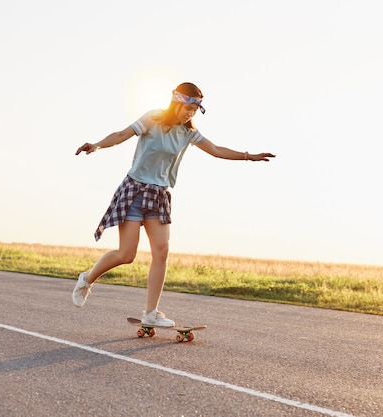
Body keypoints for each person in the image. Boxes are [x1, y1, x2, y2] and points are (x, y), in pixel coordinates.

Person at [73, 82, 275, 327]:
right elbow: (121, 135)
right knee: (126, 255)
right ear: (177, 102)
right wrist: (97, 145)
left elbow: (216, 150)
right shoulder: (153, 119)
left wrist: (248, 156)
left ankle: (150, 313)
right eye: (188, 107)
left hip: (159, 194)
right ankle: (87, 279)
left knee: (162, 252)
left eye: (196, 109)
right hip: (135, 190)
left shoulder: (189, 133)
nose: (191, 113)